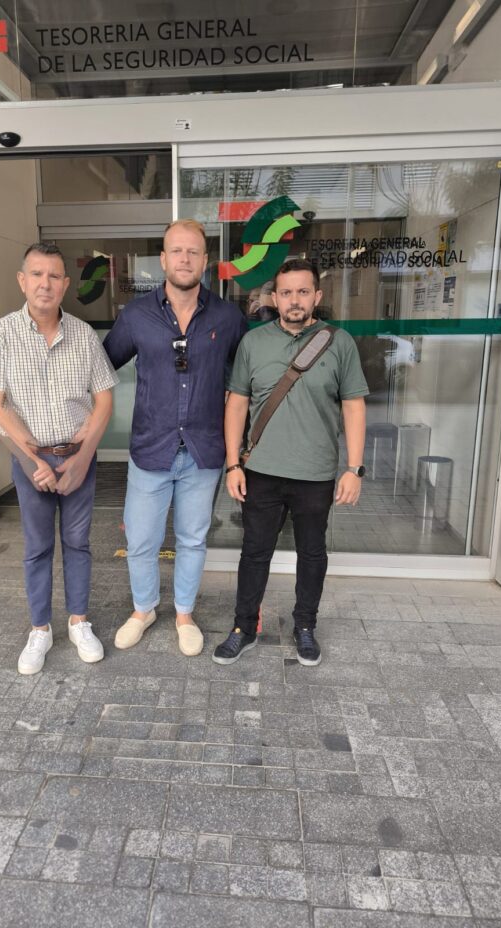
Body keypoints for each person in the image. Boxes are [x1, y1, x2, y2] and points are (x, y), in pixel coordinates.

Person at [213, 258, 368, 667]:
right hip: (260, 472)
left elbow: (353, 406)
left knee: (312, 554)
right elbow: (236, 404)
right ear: (275, 298)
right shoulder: (253, 343)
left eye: (302, 291)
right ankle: (244, 627)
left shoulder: (340, 343)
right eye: (286, 293)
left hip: (315, 474)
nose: (294, 300)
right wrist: (233, 464)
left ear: (317, 296)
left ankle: (305, 627)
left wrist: (354, 468)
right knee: (254, 553)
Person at [104, 220, 248, 656]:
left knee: (192, 539)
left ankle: (184, 614)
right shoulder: (136, 316)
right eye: (177, 251)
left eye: (193, 252)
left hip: (203, 452)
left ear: (205, 261)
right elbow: (100, 368)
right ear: (163, 259)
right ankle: (143, 609)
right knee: (141, 542)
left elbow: (246, 379)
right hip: (151, 450)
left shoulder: (227, 318)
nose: (185, 259)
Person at [0, 243, 118, 675]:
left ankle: (78, 622)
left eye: (54, 276)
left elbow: (105, 400)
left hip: (78, 457)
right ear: (22, 281)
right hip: (31, 460)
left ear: (66, 284)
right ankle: (40, 629)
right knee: (38, 547)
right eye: (37, 274)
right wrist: (31, 461)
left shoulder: (84, 335)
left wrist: (83, 457)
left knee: (77, 542)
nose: (45, 283)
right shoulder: (1, 333)